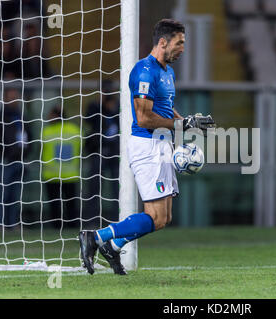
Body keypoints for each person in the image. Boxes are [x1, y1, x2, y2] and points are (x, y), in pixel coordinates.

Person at [78, 18, 215, 275]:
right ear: (163, 42)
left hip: (161, 146)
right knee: (155, 216)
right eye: (180, 43)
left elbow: (164, 108)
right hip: (147, 145)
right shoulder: (144, 71)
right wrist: (181, 127)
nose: (182, 48)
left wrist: (187, 122)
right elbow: (143, 117)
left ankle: (113, 246)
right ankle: (96, 236)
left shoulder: (168, 72)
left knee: (163, 219)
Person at [0, 88, 31, 229]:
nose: (14, 100)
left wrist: (25, 152)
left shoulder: (22, 116)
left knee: (15, 194)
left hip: (19, 160)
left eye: (16, 97)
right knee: (2, 194)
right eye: (11, 97)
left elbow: (29, 136)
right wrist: (6, 152)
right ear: (5, 98)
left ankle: (12, 224)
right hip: (4, 160)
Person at [83, 81, 120, 228]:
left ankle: (119, 217)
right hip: (99, 150)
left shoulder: (118, 106)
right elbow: (89, 120)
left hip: (115, 151)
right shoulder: (94, 106)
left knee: (118, 186)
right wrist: (102, 106)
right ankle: (91, 219)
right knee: (94, 187)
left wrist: (113, 109)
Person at [41, 106, 81, 229]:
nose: (48, 117)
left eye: (50, 114)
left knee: (55, 205)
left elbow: (41, 149)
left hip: (52, 174)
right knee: (71, 204)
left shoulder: (46, 132)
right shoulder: (75, 130)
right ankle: (73, 227)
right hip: (70, 174)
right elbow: (81, 146)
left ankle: (57, 227)